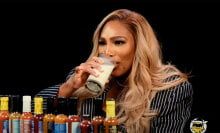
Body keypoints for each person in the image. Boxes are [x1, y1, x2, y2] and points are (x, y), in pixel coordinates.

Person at [36, 9, 193, 133]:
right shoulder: (85, 77)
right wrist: (69, 87)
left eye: (118, 42)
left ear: (140, 47)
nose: (107, 51)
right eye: (102, 43)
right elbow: (30, 115)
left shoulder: (171, 90)